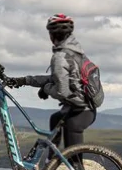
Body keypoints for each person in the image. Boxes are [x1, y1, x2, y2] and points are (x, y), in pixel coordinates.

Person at [11, 14, 95, 152]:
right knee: (55, 119)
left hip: (80, 109)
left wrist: (46, 89)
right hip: (85, 106)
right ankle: (52, 161)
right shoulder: (76, 52)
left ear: (51, 35)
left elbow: (62, 91)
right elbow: (55, 78)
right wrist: (25, 81)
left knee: (71, 129)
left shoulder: (60, 57)